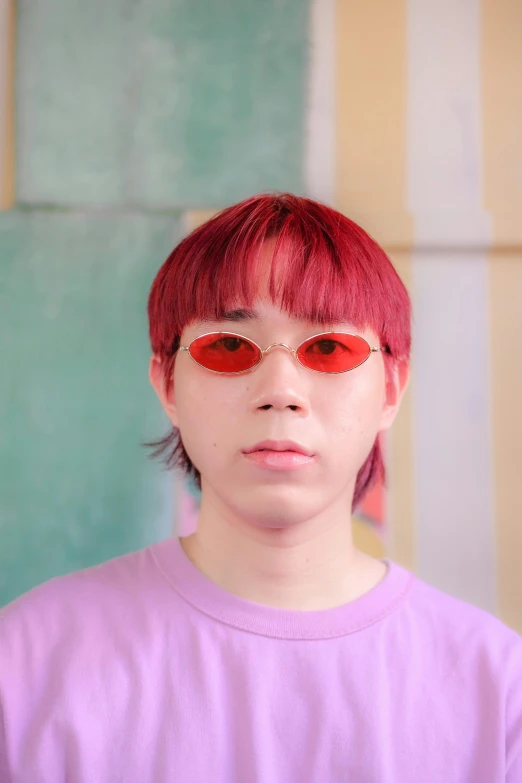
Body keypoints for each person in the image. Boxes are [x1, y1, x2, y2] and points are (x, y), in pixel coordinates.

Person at [0, 193, 520, 782]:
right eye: (228, 347)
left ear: (392, 388)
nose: (280, 389)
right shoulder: (25, 665)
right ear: (167, 385)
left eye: (328, 348)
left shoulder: (497, 690)